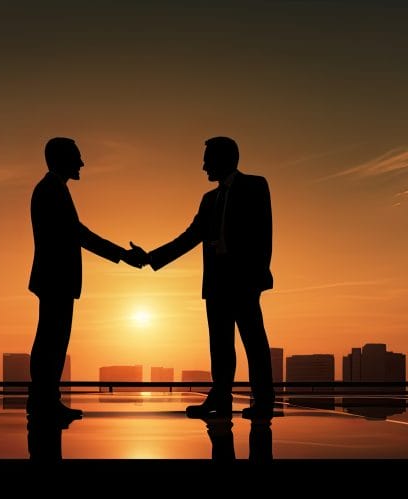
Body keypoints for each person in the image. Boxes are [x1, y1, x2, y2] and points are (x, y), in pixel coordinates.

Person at [137, 137, 276, 418]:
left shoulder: (255, 186)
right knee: (221, 343)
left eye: (207, 159)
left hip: (245, 281)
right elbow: (190, 237)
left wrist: (257, 275)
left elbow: (264, 234)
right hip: (217, 283)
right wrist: (151, 258)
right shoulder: (209, 199)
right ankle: (221, 397)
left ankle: (263, 401)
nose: (203, 166)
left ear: (224, 159)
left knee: (254, 342)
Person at [28, 137, 146, 419]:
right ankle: (45, 401)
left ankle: (44, 399)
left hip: (54, 277)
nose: (82, 163)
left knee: (51, 339)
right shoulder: (52, 190)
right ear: (61, 159)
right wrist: (123, 255)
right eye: (77, 157)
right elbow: (79, 234)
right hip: (55, 277)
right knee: (52, 340)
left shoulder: (52, 189)